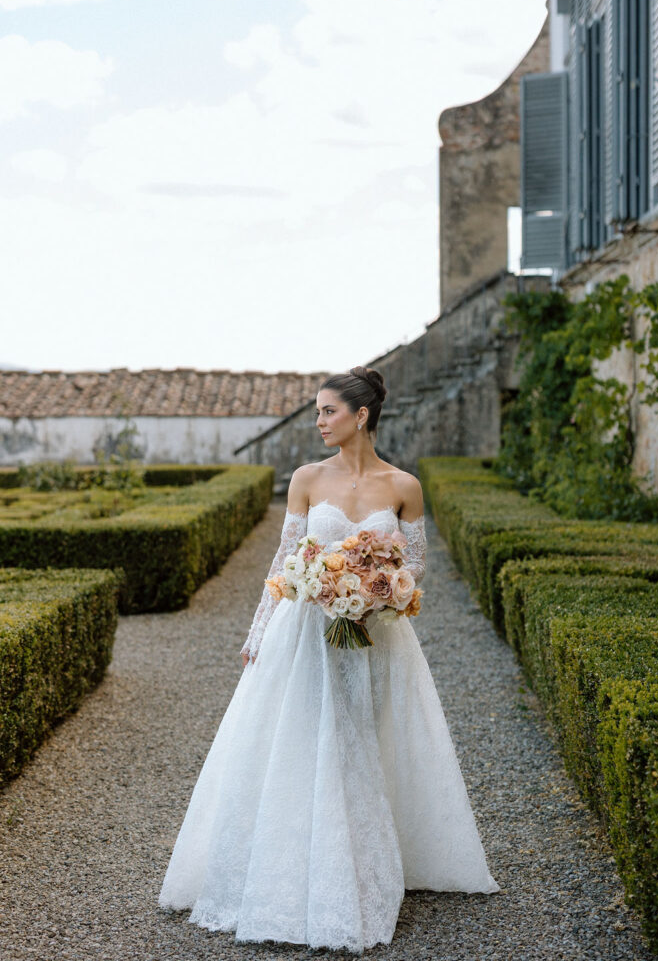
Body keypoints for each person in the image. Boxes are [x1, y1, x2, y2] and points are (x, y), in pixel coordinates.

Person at [157, 365, 500, 953]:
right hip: (307, 634)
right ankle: (301, 864)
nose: (318, 421)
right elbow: (284, 562)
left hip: (376, 633)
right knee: (311, 742)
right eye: (316, 411)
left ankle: (365, 862)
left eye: (327, 411)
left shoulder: (404, 486)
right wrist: (258, 632)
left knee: (366, 739)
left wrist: (376, 589)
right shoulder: (306, 479)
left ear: (360, 415)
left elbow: (415, 567)